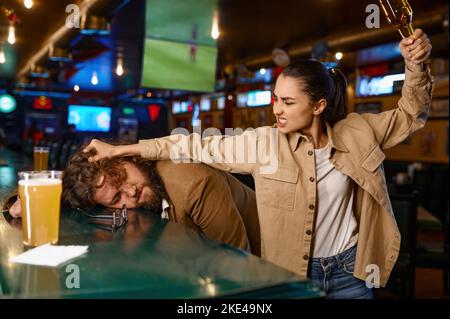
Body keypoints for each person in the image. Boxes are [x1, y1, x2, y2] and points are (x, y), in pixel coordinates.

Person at [83, 29, 433, 298]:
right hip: (291, 273)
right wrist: (119, 150)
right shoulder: (264, 144)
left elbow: (410, 115)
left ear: (318, 106)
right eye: (275, 99)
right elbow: (190, 144)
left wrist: (415, 66)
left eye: (288, 101)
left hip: (350, 271)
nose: (277, 109)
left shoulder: (358, 132)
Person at [5, 149, 261, 256]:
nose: (132, 192)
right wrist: (28, 197)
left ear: (129, 158)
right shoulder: (109, 190)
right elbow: (78, 189)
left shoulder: (196, 185)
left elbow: (236, 262)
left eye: (124, 176)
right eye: (117, 198)